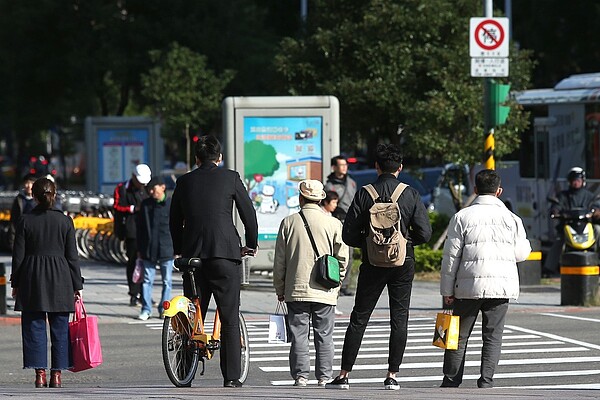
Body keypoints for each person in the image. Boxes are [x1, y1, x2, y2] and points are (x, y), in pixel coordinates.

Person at [327, 143, 432, 390]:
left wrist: (369, 242)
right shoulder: (410, 194)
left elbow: (348, 235)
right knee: (399, 317)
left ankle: (343, 375)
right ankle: (392, 375)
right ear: (400, 168)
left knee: (360, 317)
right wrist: (406, 242)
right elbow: (425, 233)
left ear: (376, 166)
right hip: (402, 263)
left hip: (372, 262)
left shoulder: (364, 193)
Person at [169, 135, 258, 388]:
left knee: (190, 316)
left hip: (193, 257)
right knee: (229, 317)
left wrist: (179, 250)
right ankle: (231, 377)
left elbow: (174, 220)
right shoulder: (230, 177)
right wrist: (250, 243)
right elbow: (248, 214)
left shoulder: (184, 181)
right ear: (219, 158)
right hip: (224, 254)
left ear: (196, 159)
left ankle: (184, 372)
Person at [440, 169, 532, 388]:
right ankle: (486, 381)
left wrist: (447, 290)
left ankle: (451, 380)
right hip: (501, 287)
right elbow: (520, 254)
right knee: (492, 336)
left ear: (475, 189)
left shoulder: (462, 216)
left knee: (458, 336)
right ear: (498, 191)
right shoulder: (512, 219)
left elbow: (451, 257)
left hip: (467, 286)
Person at [273, 180, 348, 387]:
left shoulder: (289, 222)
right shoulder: (333, 223)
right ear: (321, 198)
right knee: (324, 335)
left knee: (299, 335)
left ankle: (301, 376)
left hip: (296, 289)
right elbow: (343, 257)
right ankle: (324, 377)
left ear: (300, 197)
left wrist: (280, 288)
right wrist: (338, 281)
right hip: (325, 288)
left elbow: (280, 261)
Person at [10, 177, 83, 389]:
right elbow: (72, 257)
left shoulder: (26, 220)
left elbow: (18, 256)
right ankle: (57, 375)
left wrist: (16, 283)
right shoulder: (65, 221)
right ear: (55, 195)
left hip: (32, 277)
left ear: (33, 195)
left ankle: (40, 374)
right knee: (60, 328)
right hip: (61, 277)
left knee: (34, 326)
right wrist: (77, 285)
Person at [546, 167, 600, 274]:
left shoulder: (589, 196)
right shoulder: (563, 196)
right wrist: (555, 212)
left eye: (578, 180)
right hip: (568, 226)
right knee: (559, 240)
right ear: (569, 182)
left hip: (586, 225)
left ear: (583, 181)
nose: (576, 183)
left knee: (598, 230)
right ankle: (549, 268)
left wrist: (596, 212)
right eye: (574, 180)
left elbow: (596, 205)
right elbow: (556, 206)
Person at [113, 163, 152, 306]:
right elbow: (116, 206)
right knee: (133, 261)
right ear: (133, 177)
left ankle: (145, 293)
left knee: (147, 262)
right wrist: (132, 208)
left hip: (147, 228)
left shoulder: (147, 188)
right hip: (131, 230)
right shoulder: (122, 188)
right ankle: (133, 293)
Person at [136, 176, 173, 321]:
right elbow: (140, 228)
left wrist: (177, 248)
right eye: (150, 189)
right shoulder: (146, 204)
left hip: (166, 248)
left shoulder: (170, 204)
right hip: (148, 248)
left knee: (167, 281)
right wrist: (139, 248)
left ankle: (164, 309)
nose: (151, 191)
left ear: (163, 187)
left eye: (154, 188)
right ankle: (146, 309)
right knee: (146, 280)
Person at [325, 155, 357, 296]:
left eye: (346, 165)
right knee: (334, 254)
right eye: (341, 165)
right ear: (334, 167)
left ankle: (345, 284)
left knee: (349, 254)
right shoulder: (329, 185)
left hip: (349, 222)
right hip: (335, 221)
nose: (344, 167)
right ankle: (333, 282)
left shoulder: (351, 183)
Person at [8, 173, 37, 250]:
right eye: (27, 183)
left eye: (32, 183)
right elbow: (13, 221)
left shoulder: (39, 200)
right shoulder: (19, 199)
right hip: (22, 233)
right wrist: (12, 241)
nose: (29, 186)